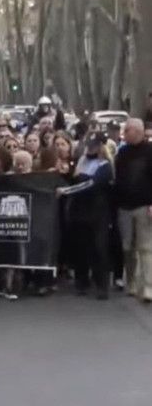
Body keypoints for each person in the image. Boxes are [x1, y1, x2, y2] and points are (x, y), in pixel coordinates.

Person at [60, 132, 114, 299]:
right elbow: (74, 179)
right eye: (88, 146)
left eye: (94, 146)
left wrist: (66, 191)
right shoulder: (81, 161)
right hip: (79, 210)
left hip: (97, 212)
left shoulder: (105, 165)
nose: (90, 149)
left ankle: (102, 285)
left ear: (100, 147)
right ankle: (81, 281)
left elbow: (91, 184)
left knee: (99, 248)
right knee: (80, 247)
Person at [114, 118, 152, 302]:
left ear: (137, 131)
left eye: (127, 130)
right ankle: (131, 282)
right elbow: (118, 178)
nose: (124, 134)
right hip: (124, 206)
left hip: (144, 205)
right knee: (127, 247)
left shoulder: (150, 152)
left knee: (145, 247)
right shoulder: (122, 152)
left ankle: (148, 286)